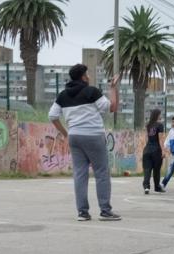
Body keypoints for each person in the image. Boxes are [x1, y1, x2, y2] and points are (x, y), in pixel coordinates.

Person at [48, 63, 121, 221]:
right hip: (93, 135)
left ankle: (82, 212)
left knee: (80, 174)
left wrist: (65, 133)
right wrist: (113, 88)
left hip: (74, 136)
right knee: (101, 172)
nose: (88, 77)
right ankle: (105, 211)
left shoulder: (62, 95)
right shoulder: (91, 91)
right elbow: (112, 107)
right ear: (83, 76)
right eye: (87, 74)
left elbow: (52, 116)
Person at [141, 108, 165, 194]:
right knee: (156, 170)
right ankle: (157, 187)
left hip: (147, 150)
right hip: (156, 150)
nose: (161, 116)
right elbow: (160, 139)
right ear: (157, 115)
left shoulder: (148, 125)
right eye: (160, 114)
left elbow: (145, 139)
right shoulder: (160, 125)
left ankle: (146, 187)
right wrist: (163, 151)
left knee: (147, 169)